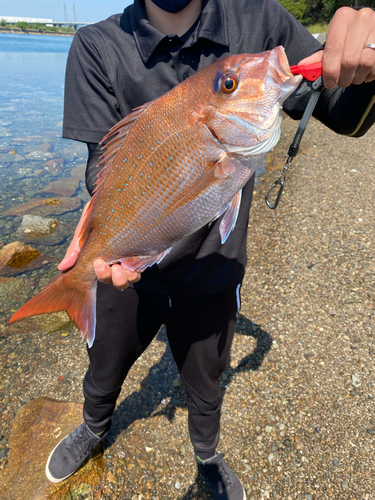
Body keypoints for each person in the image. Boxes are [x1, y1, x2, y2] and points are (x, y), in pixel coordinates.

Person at [45, 0, 375, 498]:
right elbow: (100, 168)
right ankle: (93, 426)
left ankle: (208, 454)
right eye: (229, 84)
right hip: (127, 268)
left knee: (207, 381)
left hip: (213, 272)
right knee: (104, 365)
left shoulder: (261, 19)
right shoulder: (96, 44)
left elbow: (344, 115)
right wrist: (102, 231)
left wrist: (367, 70)